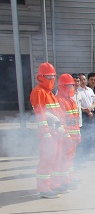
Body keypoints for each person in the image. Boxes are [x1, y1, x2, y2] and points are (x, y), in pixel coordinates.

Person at [30, 63, 61, 198]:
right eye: (49, 77)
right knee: (46, 160)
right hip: (47, 134)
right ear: (40, 77)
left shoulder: (49, 93)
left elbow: (57, 112)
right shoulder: (39, 92)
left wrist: (61, 126)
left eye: (53, 76)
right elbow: (40, 114)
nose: (51, 79)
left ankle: (51, 185)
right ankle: (43, 189)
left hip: (55, 132)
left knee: (54, 160)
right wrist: (46, 133)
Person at [57, 73, 81, 190]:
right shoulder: (60, 100)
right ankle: (64, 181)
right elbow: (61, 120)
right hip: (66, 135)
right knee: (64, 158)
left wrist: (78, 133)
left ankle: (70, 178)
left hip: (73, 135)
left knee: (70, 158)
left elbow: (75, 120)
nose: (71, 88)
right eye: (68, 86)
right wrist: (66, 135)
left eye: (71, 85)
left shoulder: (71, 101)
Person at [78, 73, 95, 159]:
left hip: (91, 114)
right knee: (83, 135)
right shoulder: (77, 91)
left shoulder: (90, 90)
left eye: (84, 79)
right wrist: (85, 110)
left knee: (90, 135)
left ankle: (88, 154)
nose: (83, 81)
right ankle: (82, 155)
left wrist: (90, 108)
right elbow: (77, 104)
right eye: (81, 80)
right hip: (83, 115)